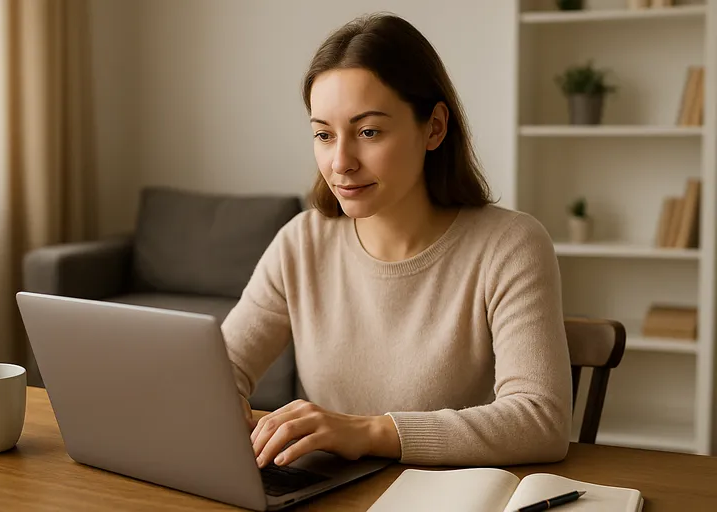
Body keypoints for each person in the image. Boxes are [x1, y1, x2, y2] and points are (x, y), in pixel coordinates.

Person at [221, 12, 572, 469]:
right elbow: (217, 372)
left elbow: (540, 421)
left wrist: (367, 431)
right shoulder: (301, 243)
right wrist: (216, 406)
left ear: (434, 128)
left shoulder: (510, 245)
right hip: (333, 493)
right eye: (324, 135)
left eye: (368, 132)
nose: (341, 162)